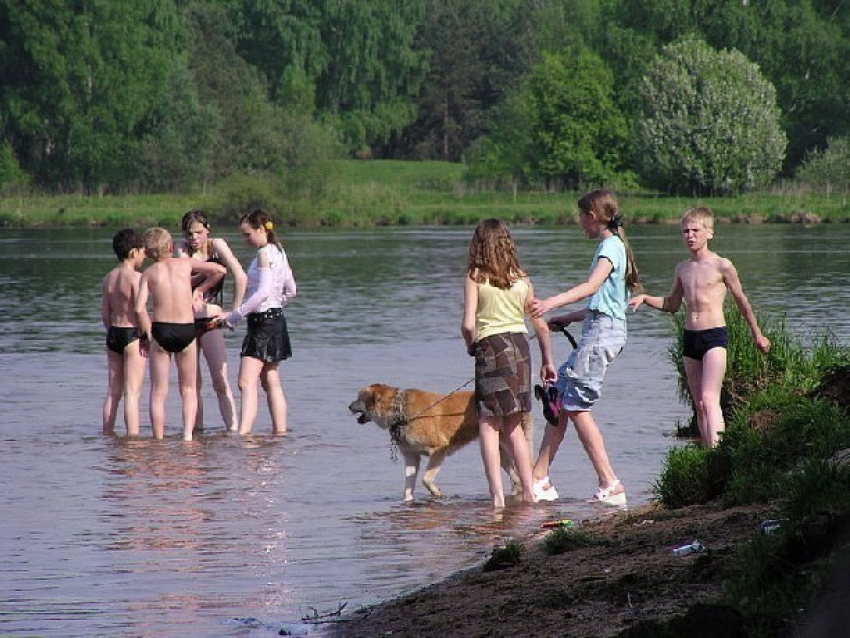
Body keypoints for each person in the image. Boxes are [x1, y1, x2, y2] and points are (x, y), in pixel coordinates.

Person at [529, 189, 642, 506]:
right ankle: (540, 478)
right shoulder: (613, 245)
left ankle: (610, 483)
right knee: (560, 401)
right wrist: (567, 317)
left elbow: (591, 287)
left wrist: (551, 302)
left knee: (577, 406)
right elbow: (605, 303)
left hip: (602, 335)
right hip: (600, 327)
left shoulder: (610, 247)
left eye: (581, 216)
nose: (579, 222)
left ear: (592, 217)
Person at [628, 206, 770, 447]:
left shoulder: (722, 265)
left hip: (714, 336)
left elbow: (742, 301)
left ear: (709, 233)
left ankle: (718, 452)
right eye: (685, 231)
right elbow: (672, 304)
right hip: (690, 338)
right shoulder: (682, 268)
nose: (690, 235)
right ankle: (708, 454)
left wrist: (758, 334)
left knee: (708, 398)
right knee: (700, 405)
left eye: (695, 230)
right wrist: (645, 298)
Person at [462, 219, 556, 508]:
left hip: (491, 347)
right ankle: (529, 493)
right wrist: (547, 360)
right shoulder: (522, 278)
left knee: (489, 425)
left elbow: (468, 324)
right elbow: (540, 325)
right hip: (520, 348)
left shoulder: (475, 276)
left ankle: (498, 498)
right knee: (514, 424)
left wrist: (471, 347)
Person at [135, 227, 226, 441]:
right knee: (188, 388)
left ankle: (158, 439)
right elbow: (219, 271)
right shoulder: (185, 264)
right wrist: (199, 289)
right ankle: (187, 436)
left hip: (161, 330)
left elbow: (139, 308)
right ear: (170, 247)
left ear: (147, 254)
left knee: (158, 391)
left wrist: (146, 333)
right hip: (186, 329)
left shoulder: (148, 274)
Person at [219, 209, 297, 435]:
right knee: (270, 380)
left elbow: (262, 292)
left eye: (247, 234)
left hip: (262, 323)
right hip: (276, 319)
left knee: (245, 381)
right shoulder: (279, 251)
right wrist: (276, 301)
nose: (245, 240)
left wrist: (235, 316)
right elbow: (292, 290)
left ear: (261, 229)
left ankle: (244, 435)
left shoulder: (264, 254)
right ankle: (280, 433)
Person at [176, 210, 247, 432]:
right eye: (189, 234)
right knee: (191, 384)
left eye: (198, 232)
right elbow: (182, 278)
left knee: (220, 379)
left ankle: (233, 430)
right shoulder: (181, 249)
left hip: (211, 320)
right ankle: (196, 432)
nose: (194, 238)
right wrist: (203, 279)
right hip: (186, 320)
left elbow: (240, 275)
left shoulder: (217, 245)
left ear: (207, 229)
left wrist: (234, 313)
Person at [101, 229, 147, 436]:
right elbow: (140, 310)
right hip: (131, 334)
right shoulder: (136, 278)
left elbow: (105, 315)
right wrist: (147, 335)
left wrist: (112, 332)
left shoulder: (108, 278)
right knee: (132, 393)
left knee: (113, 392)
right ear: (133, 252)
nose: (144, 255)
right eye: (142, 251)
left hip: (113, 334)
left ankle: (107, 433)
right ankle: (133, 438)